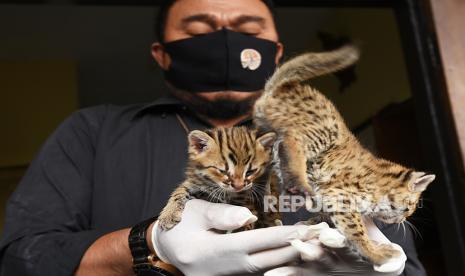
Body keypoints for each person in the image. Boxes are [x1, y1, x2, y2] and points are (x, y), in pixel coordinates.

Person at [0, 0, 426, 275]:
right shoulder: (90, 133)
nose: (225, 42)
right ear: (162, 54)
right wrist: (147, 245)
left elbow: (408, 268)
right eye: (200, 29)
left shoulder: (339, 151)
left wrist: (374, 269)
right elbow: (20, 260)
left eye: (246, 27)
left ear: (276, 53)